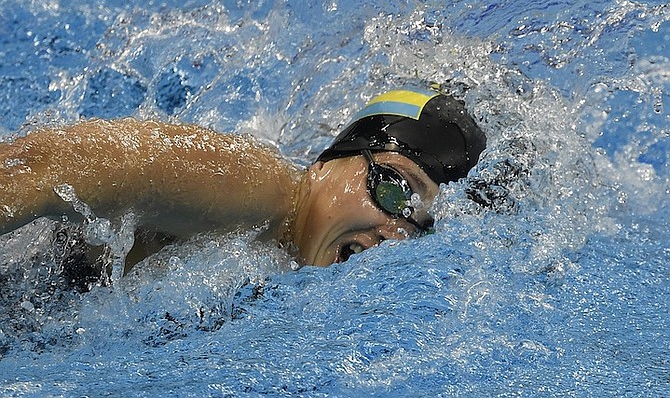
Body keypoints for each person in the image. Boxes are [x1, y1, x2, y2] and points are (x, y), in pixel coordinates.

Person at [0, 86, 486, 275]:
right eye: (396, 190)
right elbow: (49, 165)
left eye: (420, 231)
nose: (392, 237)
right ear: (331, 160)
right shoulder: (263, 191)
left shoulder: (280, 263)